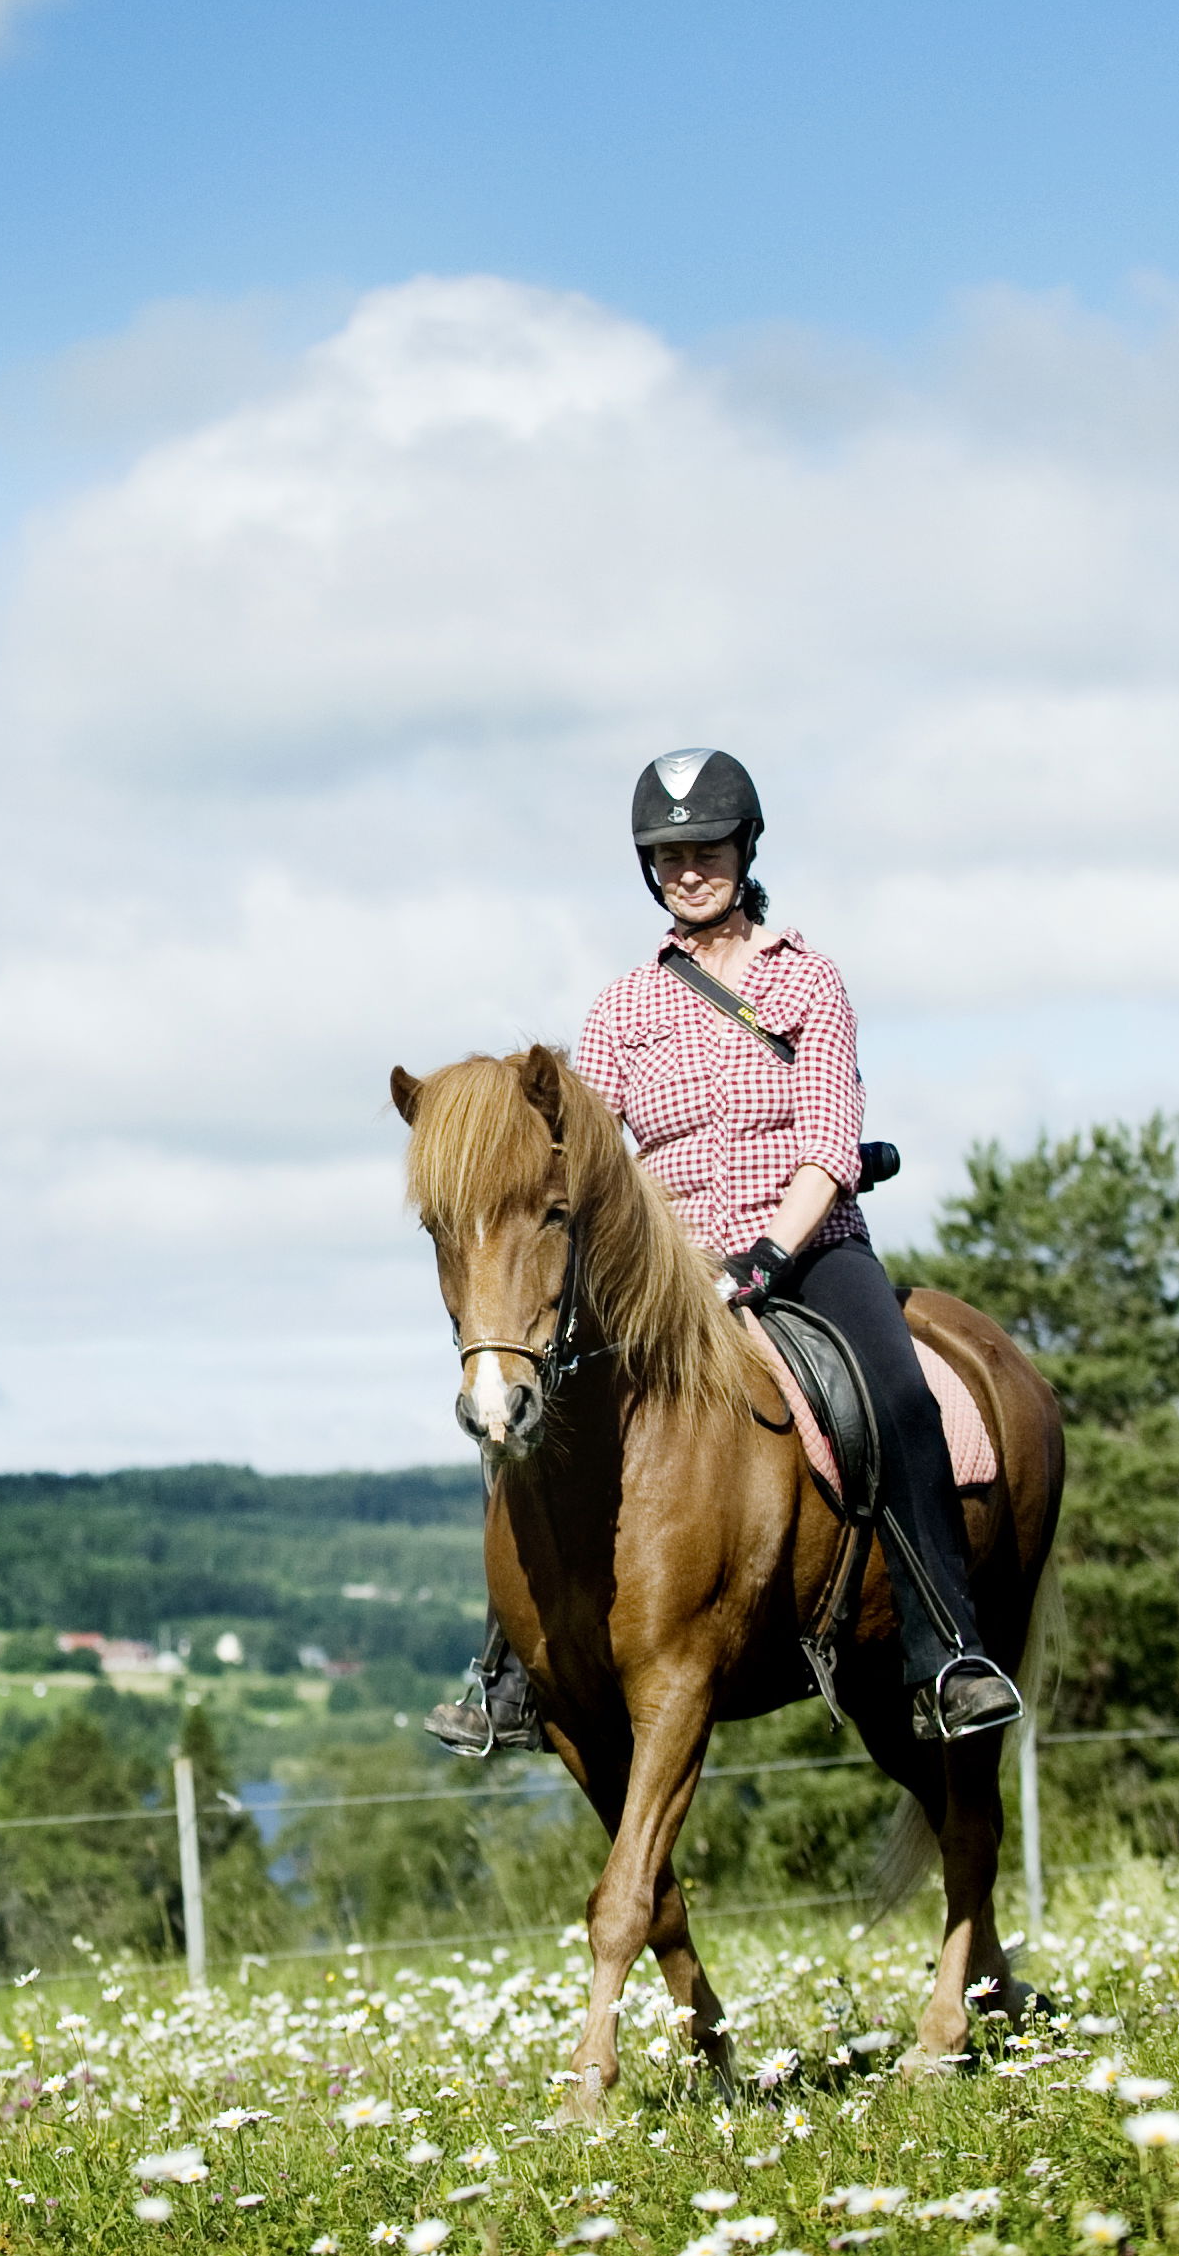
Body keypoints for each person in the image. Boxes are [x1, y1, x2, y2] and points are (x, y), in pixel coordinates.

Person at [428, 748, 1026, 1757]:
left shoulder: (807, 980)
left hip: (806, 1249)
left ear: (745, 850)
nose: (688, 870)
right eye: (668, 857)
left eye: (705, 849)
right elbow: (584, 1154)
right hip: (668, 1273)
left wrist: (764, 1258)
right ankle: (511, 1668)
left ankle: (948, 1652)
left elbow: (829, 1146)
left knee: (897, 1396)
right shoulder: (623, 1008)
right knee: (529, 1403)